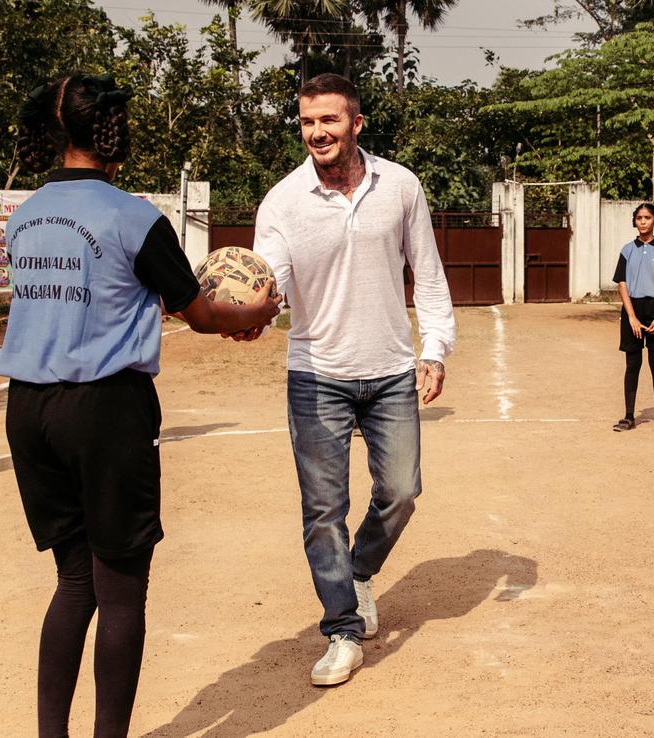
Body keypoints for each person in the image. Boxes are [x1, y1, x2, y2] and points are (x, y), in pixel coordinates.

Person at [0, 73, 280, 738]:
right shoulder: (134, 217)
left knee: (73, 583)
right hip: (104, 411)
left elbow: (92, 294)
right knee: (121, 590)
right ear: (112, 131)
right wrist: (258, 309)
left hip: (28, 410)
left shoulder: (26, 214)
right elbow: (203, 315)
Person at [250, 73, 456, 687]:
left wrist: (435, 348)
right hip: (316, 374)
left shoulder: (400, 185)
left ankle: (358, 571)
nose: (317, 132)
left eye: (329, 121)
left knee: (402, 492)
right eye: (308, 122)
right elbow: (271, 282)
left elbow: (429, 271)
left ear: (356, 124)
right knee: (323, 510)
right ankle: (341, 628)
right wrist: (251, 312)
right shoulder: (282, 202)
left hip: (391, 368)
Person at [612, 202, 654, 434]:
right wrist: (630, 316)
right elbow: (622, 283)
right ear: (635, 221)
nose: (642, 221)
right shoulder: (627, 250)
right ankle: (629, 416)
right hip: (633, 308)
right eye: (639, 218)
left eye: (647, 217)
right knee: (633, 364)